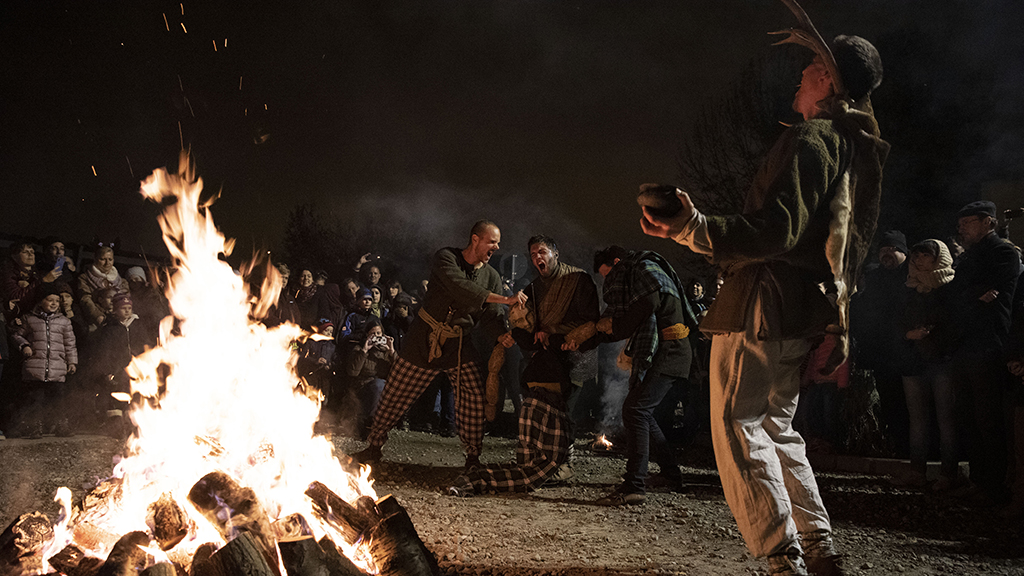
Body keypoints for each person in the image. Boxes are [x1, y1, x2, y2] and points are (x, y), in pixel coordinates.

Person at [638, 31, 887, 576]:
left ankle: (782, 557)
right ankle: (818, 547)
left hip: (764, 300)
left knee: (738, 422)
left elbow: (776, 230)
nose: (801, 74)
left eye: (810, 65)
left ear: (827, 79)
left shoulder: (814, 138)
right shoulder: (850, 143)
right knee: (775, 425)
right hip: (796, 308)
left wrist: (693, 227)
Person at [352, 220, 526, 469]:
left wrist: (501, 334)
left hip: (459, 343)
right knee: (395, 394)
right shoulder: (446, 257)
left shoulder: (492, 276)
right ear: (475, 239)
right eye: (492, 241)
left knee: (473, 398)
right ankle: (374, 446)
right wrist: (506, 298)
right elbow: (460, 287)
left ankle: (473, 457)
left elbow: (492, 316)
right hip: (423, 338)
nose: (496, 247)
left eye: (497, 243)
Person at [568, 246, 696, 505]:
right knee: (642, 412)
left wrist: (609, 326)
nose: (607, 282)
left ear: (617, 262)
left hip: (671, 349)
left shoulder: (643, 268)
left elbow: (648, 305)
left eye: (607, 274)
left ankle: (633, 486)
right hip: (666, 350)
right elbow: (621, 326)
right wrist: (582, 343)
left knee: (635, 410)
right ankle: (671, 476)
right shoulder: (637, 278)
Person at [509, 235, 601, 481]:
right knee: (542, 409)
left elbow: (590, 321)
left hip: (574, 356)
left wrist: (554, 330)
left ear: (555, 254)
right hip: (545, 360)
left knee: (565, 411)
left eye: (542, 252)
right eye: (533, 254)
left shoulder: (578, 280)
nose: (537, 257)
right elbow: (528, 323)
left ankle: (566, 463)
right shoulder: (532, 289)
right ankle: (543, 459)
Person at [948, 200, 1021, 506]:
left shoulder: (1003, 252)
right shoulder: (969, 258)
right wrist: (973, 295)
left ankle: (994, 486)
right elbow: (954, 294)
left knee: (988, 418)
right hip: (965, 343)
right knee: (968, 415)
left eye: (969, 222)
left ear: (988, 222)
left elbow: (993, 290)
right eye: (961, 223)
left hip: (989, 343)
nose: (962, 228)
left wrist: (969, 293)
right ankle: (979, 480)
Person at [895, 239, 959, 489]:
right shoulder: (909, 289)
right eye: (916, 255)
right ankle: (917, 471)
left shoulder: (950, 288)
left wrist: (932, 333)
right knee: (918, 419)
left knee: (946, 418)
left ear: (938, 258)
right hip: (913, 361)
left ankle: (949, 474)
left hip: (942, 360)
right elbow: (896, 321)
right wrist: (908, 334)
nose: (918, 260)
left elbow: (956, 323)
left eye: (925, 255)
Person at [850, 230, 912, 456]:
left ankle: (921, 450)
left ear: (903, 252)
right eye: (883, 250)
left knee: (912, 404)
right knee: (890, 402)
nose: (887, 253)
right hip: (883, 355)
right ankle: (898, 447)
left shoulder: (912, 275)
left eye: (893, 249)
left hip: (909, 353)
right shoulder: (874, 276)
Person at [10, 285, 78, 438]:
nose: (54, 303)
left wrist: (72, 362)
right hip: (35, 368)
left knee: (58, 400)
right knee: (35, 400)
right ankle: (34, 426)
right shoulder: (30, 319)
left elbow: (70, 344)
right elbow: (16, 335)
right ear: (41, 302)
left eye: (57, 301)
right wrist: (24, 345)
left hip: (57, 368)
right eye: (50, 300)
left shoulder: (64, 322)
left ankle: (60, 425)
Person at [341, 318, 396, 439]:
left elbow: (399, 371)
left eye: (379, 333)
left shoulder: (386, 352)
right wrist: (365, 350)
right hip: (363, 386)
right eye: (373, 334)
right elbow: (352, 372)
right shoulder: (359, 349)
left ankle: (376, 425)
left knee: (380, 385)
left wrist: (391, 351)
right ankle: (370, 423)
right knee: (378, 385)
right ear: (367, 335)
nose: (376, 336)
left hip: (382, 387)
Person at [77, 245, 129, 330]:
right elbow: (85, 299)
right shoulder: (84, 278)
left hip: (119, 318)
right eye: (102, 259)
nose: (107, 263)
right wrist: (98, 316)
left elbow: (126, 299)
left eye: (110, 259)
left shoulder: (122, 281)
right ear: (95, 259)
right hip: (95, 319)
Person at [2, 242, 42, 324]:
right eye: (25, 252)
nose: (30, 254)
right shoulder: (8, 275)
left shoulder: (37, 275)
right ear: (14, 256)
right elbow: (16, 298)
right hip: (16, 319)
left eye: (32, 252)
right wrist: (40, 283)